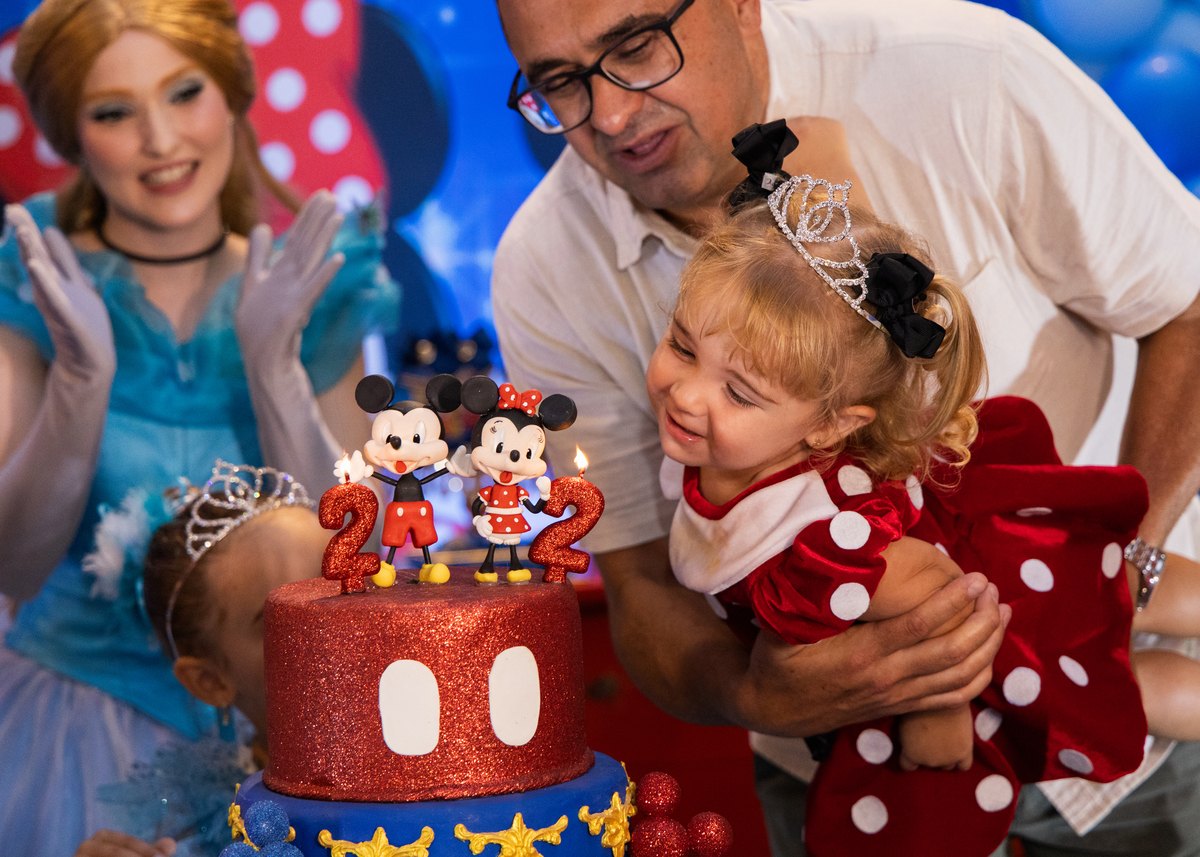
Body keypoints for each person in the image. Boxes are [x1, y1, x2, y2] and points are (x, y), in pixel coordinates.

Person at [489, 0, 1200, 853]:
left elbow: (1188, 306)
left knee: (1145, 678)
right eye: (558, 82)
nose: (608, 115)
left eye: (637, 46)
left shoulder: (967, 73)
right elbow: (640, 580)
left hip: (1130, 750)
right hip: (844, 771)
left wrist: (1120, 582)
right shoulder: (543, 269)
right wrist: (755, 693)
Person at [654, 167, 1200, 856]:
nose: (686, 394)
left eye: (738, 392)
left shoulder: (816, 543)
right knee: (1114, 597)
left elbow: (944, 596)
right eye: (682, 346)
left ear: (829, 427)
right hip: (991, 572)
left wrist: (937, 710)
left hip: (990, 617)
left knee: (1122, 674)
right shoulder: (726, 449)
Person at [0, 1, 397, 854]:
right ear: (72, 135)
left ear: (231, 94)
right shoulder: (32, 282)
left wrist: (275, 371)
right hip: (75, 733)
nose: (161, 140)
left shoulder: (315, 282)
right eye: (114, 112)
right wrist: (80, 383)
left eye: (184, 93)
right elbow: (13, 563)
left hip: (294, 740)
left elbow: (357, 561)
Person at [78, 461, 329, 857]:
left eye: (349, 590)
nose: (343, 629)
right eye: (286, 620)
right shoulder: (202, 830)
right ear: (209, 681)